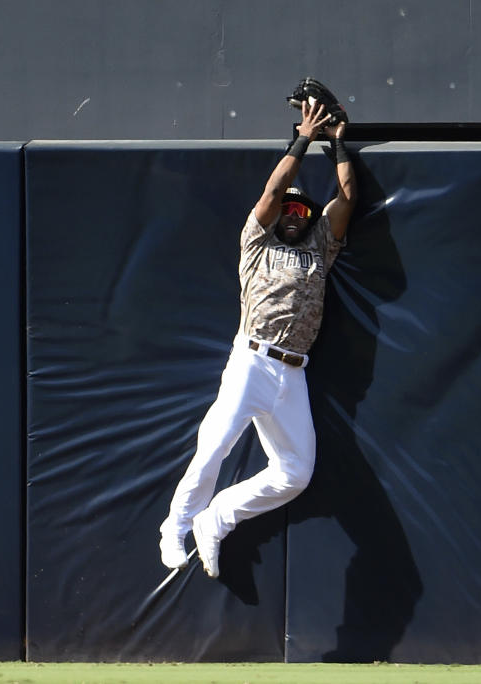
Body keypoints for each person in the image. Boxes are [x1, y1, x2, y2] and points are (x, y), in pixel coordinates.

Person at [158, 100, 357, 578]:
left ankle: (216, 519)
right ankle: (175, 526)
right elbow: (272, 189)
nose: (293, 214)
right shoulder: (257, 243)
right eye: (288, 208)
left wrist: (338, 143)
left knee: (295, 473)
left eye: (300, 210)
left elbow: (347, 197)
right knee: (215, 447)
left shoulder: (318, 247)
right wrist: (304, 137)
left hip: (293, 373)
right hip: (252, 360)